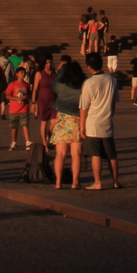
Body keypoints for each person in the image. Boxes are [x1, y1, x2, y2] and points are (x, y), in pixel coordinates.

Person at [78, 53, 121, 189]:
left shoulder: (89, 83)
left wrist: (81, 125)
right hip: (107, 120)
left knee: (95, 153)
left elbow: (84, 107)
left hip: (93, 122)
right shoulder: (111, 79)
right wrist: (110, 114)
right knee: (111, 155)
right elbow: (114, 101)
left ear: (89, 67)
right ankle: (115, 182)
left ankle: (98, 182)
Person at [52, 60, 86, 189]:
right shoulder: (83, 86)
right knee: (76, 154)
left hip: (62, 120)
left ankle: (58, 182)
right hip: (77, 119)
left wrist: (61, 71)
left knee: (60, 154)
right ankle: (75, 182)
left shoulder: (60, 86)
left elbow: (54, 83)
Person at [4, 61, 32, 150]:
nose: (22, 75)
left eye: (23, 73)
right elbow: (7, 95)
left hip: (24, 108)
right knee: (14, 127)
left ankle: (27, 141)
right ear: (17, 74)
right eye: (20, 73)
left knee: (25, 125)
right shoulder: (12, 84)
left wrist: (26, 97)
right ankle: (13, 142)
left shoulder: (27, 85)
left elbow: (29, 95)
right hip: (14, 109)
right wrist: (17, 99)